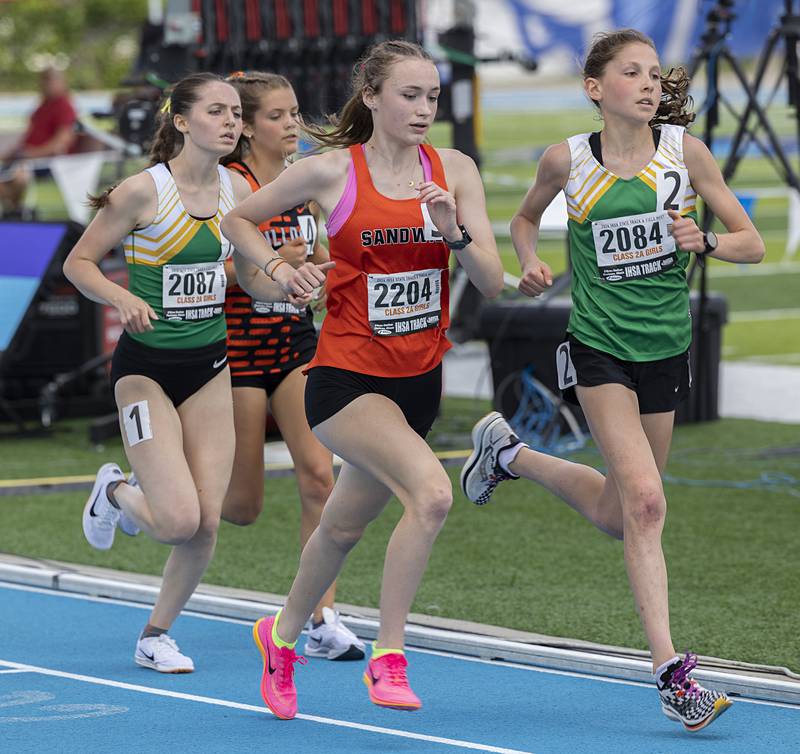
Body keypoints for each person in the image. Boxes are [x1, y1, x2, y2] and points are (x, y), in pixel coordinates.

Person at [460, 29, 765, 732]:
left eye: (655, 74)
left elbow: (748, 240)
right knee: (649, 505)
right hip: (597, 349)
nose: (649, 84)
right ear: (596, 87)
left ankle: (510, 454)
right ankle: (670, 674)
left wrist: (709, 241)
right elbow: (524, 217)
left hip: (666, 350)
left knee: (620, 511)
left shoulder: (685, 155)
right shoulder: (566, 158)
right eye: (632, 72)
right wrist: (530, 262)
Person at [221, 40, 504, 719]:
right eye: (410, 95)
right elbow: (238, 220)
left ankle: (281, 635)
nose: (424, 109)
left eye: (433, 96)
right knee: (432, 496)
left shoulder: (454, 170)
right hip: (345, 379)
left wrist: (453, 233)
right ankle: (390, 656)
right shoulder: (330, 172)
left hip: (419, 383)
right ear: (372, 97)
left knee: (341, 531)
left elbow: (494, 285)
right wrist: (281, 273)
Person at [62, 72, 283, 673]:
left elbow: (246, 276)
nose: (231, 121)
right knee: (176, 521)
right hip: (146, 371)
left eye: (236, 112)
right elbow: (77, 263)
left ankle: (155, 635)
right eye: (217, 111)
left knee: (205, 522)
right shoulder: (141, 192)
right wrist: (120, 297)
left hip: (210, 365)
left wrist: (287, 282)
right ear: (182, 121)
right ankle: (113, 489)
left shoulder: (240, 196)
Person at [220, 70, 364, 661]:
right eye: (277, 117)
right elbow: (209, 269)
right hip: (234, 348)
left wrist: (332, 270)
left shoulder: (305, 182)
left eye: (295, 113)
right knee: (240, 507)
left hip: (296, 344)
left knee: (319, 477)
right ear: (247, 127)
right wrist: (273, 262)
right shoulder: (230, 187)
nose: (292, 126)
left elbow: (326, 256)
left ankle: (319, 618)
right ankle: (130, 489)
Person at [0, 67, 77, 216]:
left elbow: (62, 141)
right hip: (25, 159)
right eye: (44, 79)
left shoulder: (65, 106)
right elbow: (29, 137)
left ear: (61, 82)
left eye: (50, 79)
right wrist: (13, 153)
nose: (45, 84)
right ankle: (15, 211)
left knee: (19, 176)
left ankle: (15, 212)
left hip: (48, 163)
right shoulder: (41, 107)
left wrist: (32, 154)